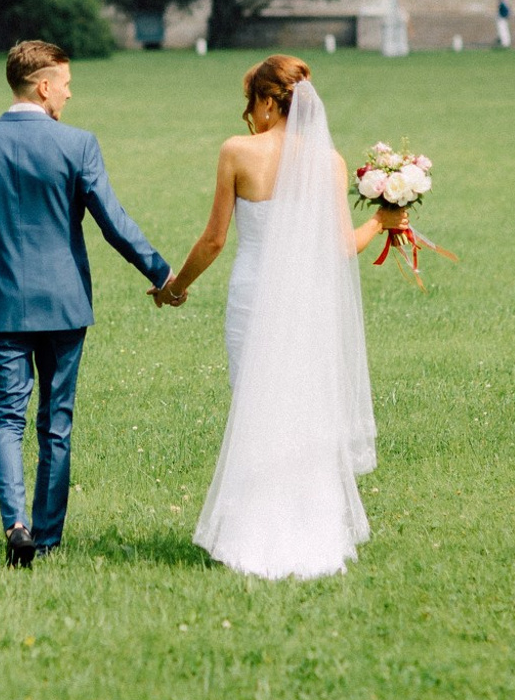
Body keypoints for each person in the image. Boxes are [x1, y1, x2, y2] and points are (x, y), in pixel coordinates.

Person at [0, 39, 179, 568]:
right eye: (65, 85)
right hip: (65, 307)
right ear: (44, 86)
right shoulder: (78, 145)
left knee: (4, 420)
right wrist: (163, 275)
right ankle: (45, 539)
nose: (68, 95)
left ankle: (14, 525)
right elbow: (113, 221)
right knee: (56, 422)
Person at [158, 56, 392, 580]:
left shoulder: (237, 152)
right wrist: (380, 220)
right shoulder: (326, 161)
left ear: (268, 100)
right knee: (303, 408)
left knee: (256, 408)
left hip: (253, 299)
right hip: (306, 301)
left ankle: (251, 530)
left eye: (252, 102)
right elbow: (339, 247)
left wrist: (177, 287)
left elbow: (215, 239)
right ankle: (309, 528)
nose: (249, 114)